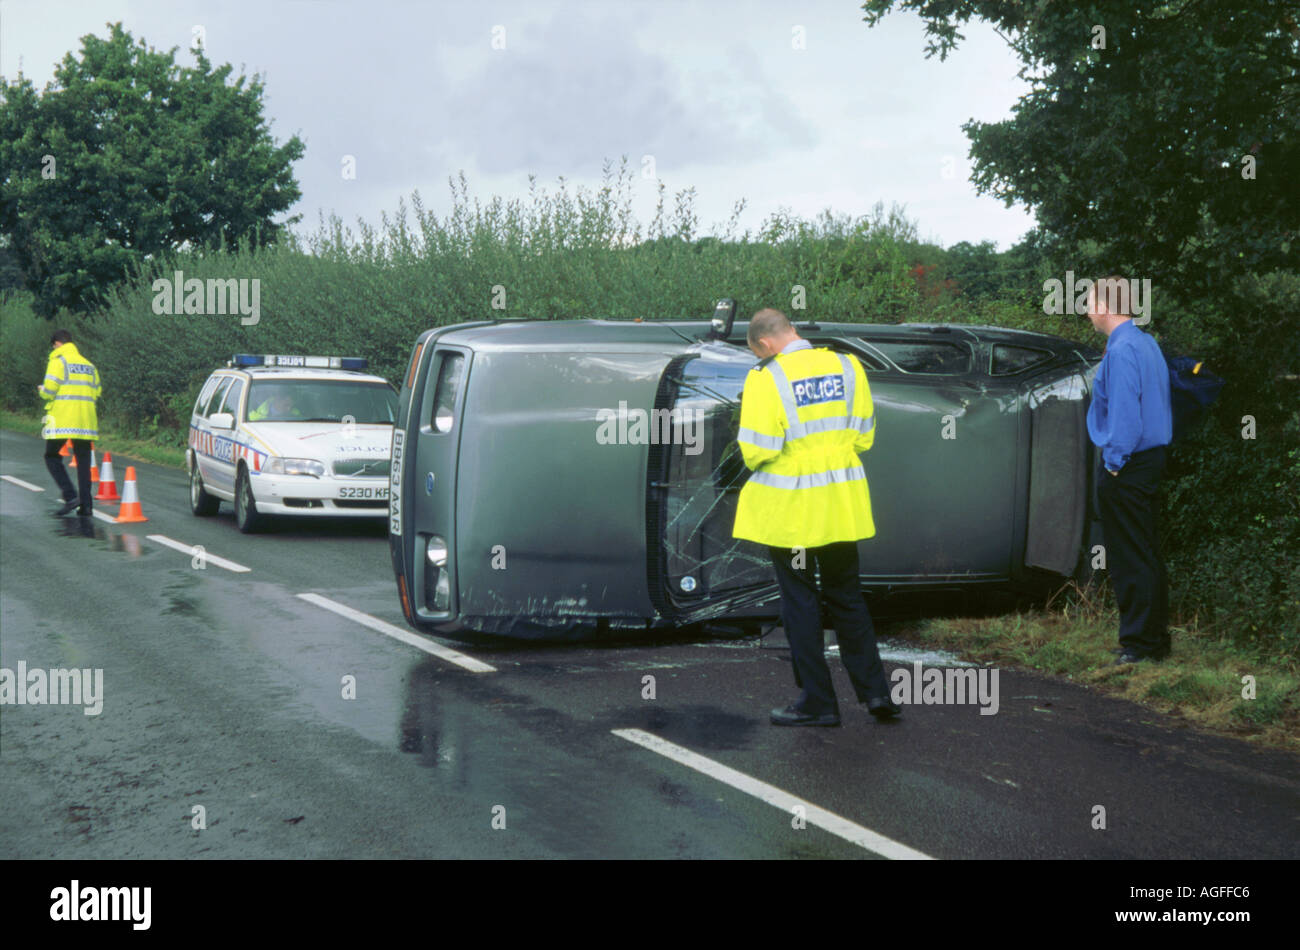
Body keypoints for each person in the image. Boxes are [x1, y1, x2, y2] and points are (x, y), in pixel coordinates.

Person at [732, 308, 900, 726]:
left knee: (801, 600)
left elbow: (758, 449)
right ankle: (877, 692)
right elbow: (864, 435)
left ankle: (818, 701)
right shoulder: (847, 365)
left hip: (792, 510)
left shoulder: (765, 377)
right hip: (841, 502)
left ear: (764, 345)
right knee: (847, 595)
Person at [1085, 276, 1173, 664]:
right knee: (1147, 552)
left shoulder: (1121, 352)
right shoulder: (1146, 343)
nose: (1086, 310)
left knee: (1129, 556)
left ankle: (1139, 646)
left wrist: (1115, 464)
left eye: (1089, 302)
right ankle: (1153, 641)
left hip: (1129, 463)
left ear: (1105, 307)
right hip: (1151, 460)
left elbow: (1125, 417)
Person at [39, 330, 101, 517]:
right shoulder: (88, 365)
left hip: (63, 419)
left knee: (51, 456)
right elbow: (96, 391)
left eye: (54, 346)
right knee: (83, 461)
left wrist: (42, 390)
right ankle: (86, 505)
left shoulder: (58, 362)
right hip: (85, 420)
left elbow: (50, 391)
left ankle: (70, 495)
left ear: (57, 344)